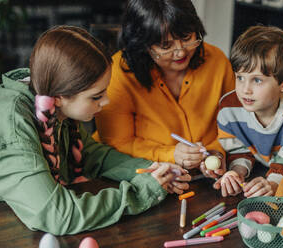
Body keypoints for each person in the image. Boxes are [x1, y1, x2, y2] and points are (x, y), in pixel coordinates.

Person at [0, 25, 191, 235]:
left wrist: (154, 170)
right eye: (96, 96)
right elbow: (58, 215)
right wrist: (140, 192)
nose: (107, 101)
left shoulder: (51, 97)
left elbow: (92, 155)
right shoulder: (13, 128)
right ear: (60, 97)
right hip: (0, 226)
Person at [93, 0, 235, 178]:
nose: (181, 52)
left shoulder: (217, 61)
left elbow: (233, 125)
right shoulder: (119, 73)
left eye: (186, 38)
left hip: (204, 178)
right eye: (165, 46)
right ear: (143, 44)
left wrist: (216, 153)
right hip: (139, 174)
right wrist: (171, 154)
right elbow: (117, 143)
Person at [213, 25, 283, 198]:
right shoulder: (228, 108)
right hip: (262, 173)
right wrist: (237, 173)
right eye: (240, 77)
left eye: (257, 80)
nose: (245, 90)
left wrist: (272, 185)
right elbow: (239, 151)